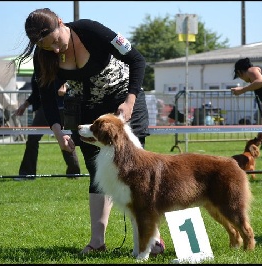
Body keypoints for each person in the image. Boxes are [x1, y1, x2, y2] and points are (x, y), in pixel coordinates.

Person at [15, 8, 164, 255]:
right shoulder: (45, 56)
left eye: (55, 41)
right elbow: (47, 97)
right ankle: (97, 242)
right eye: (45, 46)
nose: (54, 49)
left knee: (138, 176)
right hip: (88, 114)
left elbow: (137, 59)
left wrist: (129, 101)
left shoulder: (91, 30)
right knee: (97, 175)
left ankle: (152, 240)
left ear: (61, 23)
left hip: (124, 104)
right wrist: (57, 131)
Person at [14, 71, 81, 180]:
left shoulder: (62, 63)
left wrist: (66, 85)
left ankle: (74, 174)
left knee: (66, 138)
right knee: (32, 138)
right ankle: (27, 173)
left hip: (63, 108)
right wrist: (24, 105)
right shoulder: (37, 71)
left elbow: (76, 79)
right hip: (45, 109)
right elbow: (36, 94)